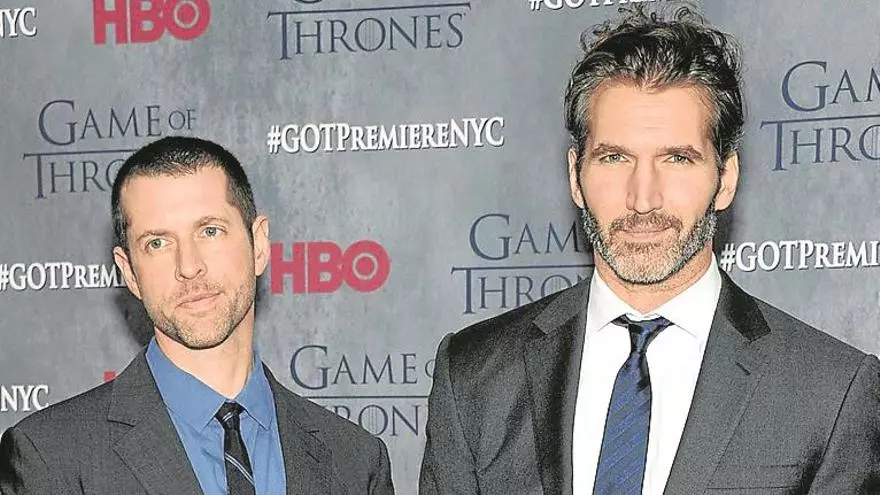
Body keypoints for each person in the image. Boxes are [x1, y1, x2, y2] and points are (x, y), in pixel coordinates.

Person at [420, 6, 880, 494]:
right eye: (614, 158)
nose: (643, 199)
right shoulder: (474, 375)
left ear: (725, 178)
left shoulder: (830, 393)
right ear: (575, 175)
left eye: (677, 159)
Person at [0, 136, 394, 494]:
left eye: (210, 231)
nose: (189, 266)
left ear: (258, 245)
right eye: (157, 243)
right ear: (130, 272)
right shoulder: (51, 458)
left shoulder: (356, 461)